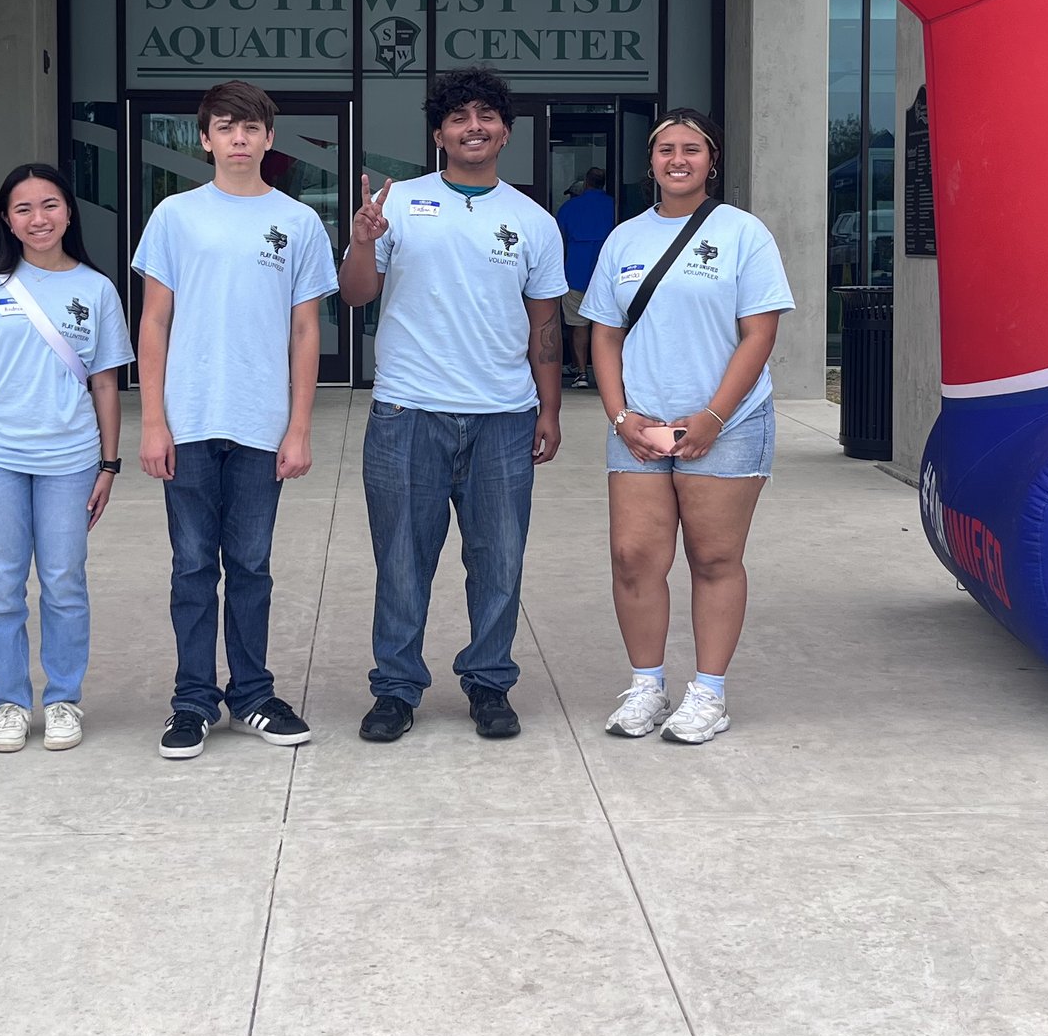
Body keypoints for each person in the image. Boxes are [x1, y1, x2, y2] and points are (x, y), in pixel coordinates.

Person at [338, 67, 565, 744]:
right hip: (409, 412)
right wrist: (361, 240)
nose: (474, 125)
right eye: (459, 115)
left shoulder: (533, 220)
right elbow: (353, 296)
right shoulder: (396, 202)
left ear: (505, 130)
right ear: (438, 132)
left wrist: (549, 409)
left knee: (499, 560)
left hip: (504, 415)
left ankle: (490, 682)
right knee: (402, 561)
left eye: (487, 114)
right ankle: (396, 689)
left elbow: (546, 324)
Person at [134, 80, 337, 760]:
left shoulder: (299, 222)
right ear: (205, 138)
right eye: (226, 127)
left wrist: (299, 425)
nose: (239, 139)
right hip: (188, 419)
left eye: (251, 127)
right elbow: (154, 321)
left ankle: (251, 692)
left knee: (250, 563)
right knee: (192, 564)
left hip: (261, 421)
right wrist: (153, 421)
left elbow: (306, 330)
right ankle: (193, 699)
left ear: (270, 137)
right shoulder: (174, 215)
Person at [581, 109, 792, 746]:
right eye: (666, 149)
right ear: (650, 162)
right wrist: (622, 418)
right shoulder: (623, 240)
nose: (679, 159)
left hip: (725, 427)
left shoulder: (742, 234)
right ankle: (647, 686)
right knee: (634, 558)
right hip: (639, 430)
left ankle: (709, 693)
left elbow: (760, 334)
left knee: (715, 558)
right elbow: (604, 334)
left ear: (712, 160)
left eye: (692, 149)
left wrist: (711, 419)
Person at [0, 163, 130, 754]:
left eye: (49, 205)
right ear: (6, 219)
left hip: (69, 459)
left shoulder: (96, 290)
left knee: (64, 581)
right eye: (23, 209)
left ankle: (64, 699)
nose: (38, 219)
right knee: (0, 584)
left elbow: (105, 384)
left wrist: (108, 465)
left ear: (69, 213)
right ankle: (11, 703)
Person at [555, 166, 616, 389]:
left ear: (587, 183)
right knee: (608, 325)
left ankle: (581, 373)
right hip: (608, 274)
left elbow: (557, 241)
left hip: (576, 271)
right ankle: (607, 376)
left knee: (578, 325)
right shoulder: (614, 205)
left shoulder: (569, 208)